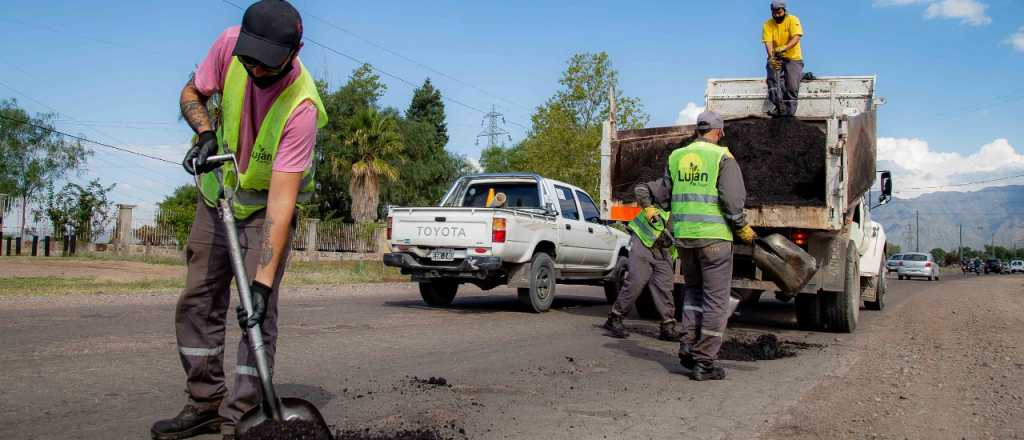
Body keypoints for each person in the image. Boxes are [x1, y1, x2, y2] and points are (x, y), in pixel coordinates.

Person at [151, 2, 327, 439]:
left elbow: (281, 208)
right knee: (198, 300)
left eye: (265, 64)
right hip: (217, 199)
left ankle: (241, 420)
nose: (254, 69)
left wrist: (263, 285)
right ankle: (205, 401)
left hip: (265, 212)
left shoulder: (301, 108)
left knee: (255, 312)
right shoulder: (229, 46)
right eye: (249, 59)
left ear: (294, 51)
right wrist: (205, 133)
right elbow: (191, 93)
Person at [638, 111, 755, 381]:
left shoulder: (677, 157)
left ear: (697, 130)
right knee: (715, 301)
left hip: (685, 240)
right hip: (714, 239)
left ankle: (688, 347)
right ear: (720, 131)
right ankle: (705, 361)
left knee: (692, 295)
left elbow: (665, 196)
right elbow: (732, 200)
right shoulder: (722, 157)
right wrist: (741, 228)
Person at [602, 200, 680, 342]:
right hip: (643, 240)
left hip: (664, 249)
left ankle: (668, 326)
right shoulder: (669, 190)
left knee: (665, 287)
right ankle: (615, 318)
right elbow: (644, 195)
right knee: (636, 281)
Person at [763, 0, 804, 117]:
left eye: (779, 12)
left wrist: (785, 47)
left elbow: (796, 37)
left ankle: (789, 113)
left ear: (784, 10)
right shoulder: (767, 24)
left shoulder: (793, 20)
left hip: (793, 58)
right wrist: (771, 58)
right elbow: (768, 43)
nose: (776, 15)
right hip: (776, 56)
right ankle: (778, 107)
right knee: (773, 79)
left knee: (791, 85)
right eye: (774, 13)